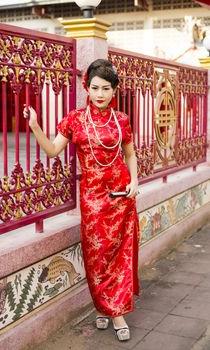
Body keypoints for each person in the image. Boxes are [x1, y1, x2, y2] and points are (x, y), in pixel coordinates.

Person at [24, 59, 140, 342]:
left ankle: (116, 313)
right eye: (94, 88)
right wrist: (36, 125)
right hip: (93, 200)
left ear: (114, 90)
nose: (99, 94)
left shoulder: (121, 119)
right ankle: (103, 305)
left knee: (119, 257)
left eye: (106, 89)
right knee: (97, 257)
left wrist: (135, 182)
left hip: (121, 197)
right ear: (86, 87)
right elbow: (52, 150)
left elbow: (130, 154)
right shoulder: (75, 119)